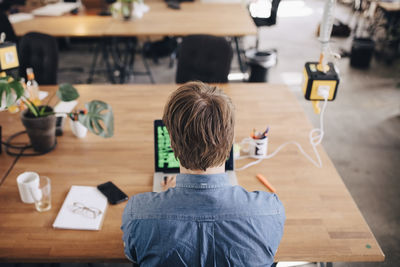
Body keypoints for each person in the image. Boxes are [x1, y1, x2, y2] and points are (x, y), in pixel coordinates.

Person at [121, 81, 285, 266]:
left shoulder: (138, 213)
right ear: (230, 139)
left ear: (172, 143)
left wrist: (162, 199)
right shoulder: (271, 210)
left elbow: (133, 256)